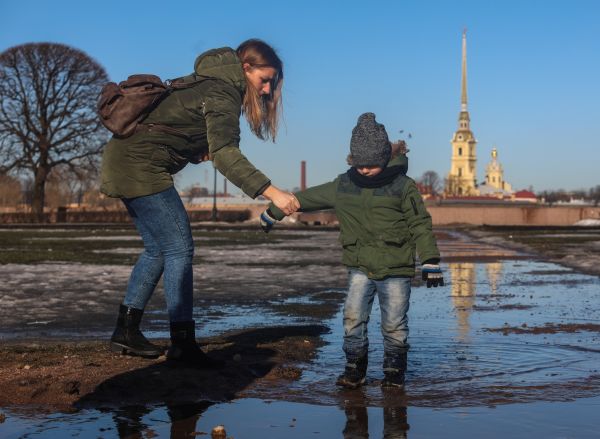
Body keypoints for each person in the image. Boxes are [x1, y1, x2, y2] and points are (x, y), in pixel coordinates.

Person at [100, 39, 299, 368]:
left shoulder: (207, 82)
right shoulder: (222, 91)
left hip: (123, 160)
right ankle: (182, 343)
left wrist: (194, 150)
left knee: (158, 249)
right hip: (140, 167)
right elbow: (226, 155)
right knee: (179, 247)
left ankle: (126, 331)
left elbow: (170, 127)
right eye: (264, 80)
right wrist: (272, 191)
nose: (266, 91)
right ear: (246, 68)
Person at [260, 113, 443, 388]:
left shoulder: (403, 187)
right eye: (360, 164)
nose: (365, 170)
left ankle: (394, 373)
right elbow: (306, 198)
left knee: (394, 325)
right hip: (359, 265)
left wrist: (430, 260)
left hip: (396, 267)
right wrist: (275, 210)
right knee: (353, 318)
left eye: (371, 164)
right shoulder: (344, 184)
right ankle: (354, 369)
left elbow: (420, 223)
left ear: (383, 157)